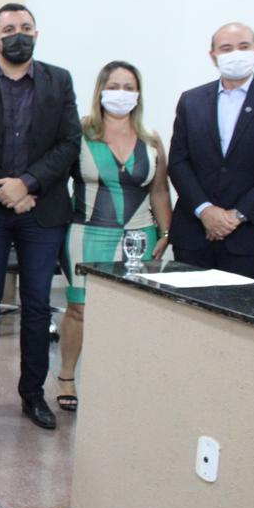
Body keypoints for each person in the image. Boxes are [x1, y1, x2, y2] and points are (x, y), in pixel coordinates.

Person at [0, 3, 80, 431]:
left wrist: (27, 183)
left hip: (41, 208)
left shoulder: (59, 80)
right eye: (9, 29)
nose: (18, 35)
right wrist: (5, 190)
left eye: (26, 27)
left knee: (38, 304)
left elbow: (69, 143)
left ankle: (32, 393)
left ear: (36, 34)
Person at [57, 61, 172, 411]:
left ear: (138, 94)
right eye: (114, 86)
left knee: (131, 312)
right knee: (80, 309)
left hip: (139, 239)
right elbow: (57, 181)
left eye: (129, 87)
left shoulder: (151, 140)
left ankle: (121, 380)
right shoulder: (79, 133)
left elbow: (159, 191)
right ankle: (66, 376)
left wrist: (166, 233)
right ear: (101, 91)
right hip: (86, 234)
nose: (121, 93)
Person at [167, 23, 254, 283]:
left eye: (244, 47)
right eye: (226, 48)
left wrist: (235, 215)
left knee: (244, 309)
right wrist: (205, 210)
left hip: (252, 237)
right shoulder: (191, 100)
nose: (236, 54)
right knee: (185, 307)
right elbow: (178, 162)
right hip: (195, 234)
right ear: (213, 56)